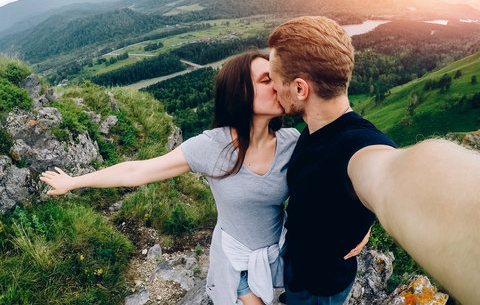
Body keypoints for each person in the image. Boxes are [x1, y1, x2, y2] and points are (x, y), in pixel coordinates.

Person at [40, 51, 369, 305]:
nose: (279, 85)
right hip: (237, 261)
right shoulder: (211, 147)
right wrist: (74, 182)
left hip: (282, 256)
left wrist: (362, 227)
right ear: (240, 92)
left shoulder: (293, 143)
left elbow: (337, 183)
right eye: (267, 79)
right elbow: (136, 170)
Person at [267, 16, 480, 305]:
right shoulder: (316, 128)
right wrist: (362, 218)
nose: (273, 90)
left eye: (275, 81)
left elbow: (389, 174)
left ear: (301, 89)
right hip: (301, 273)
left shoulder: (358, 145)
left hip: (319, 291)